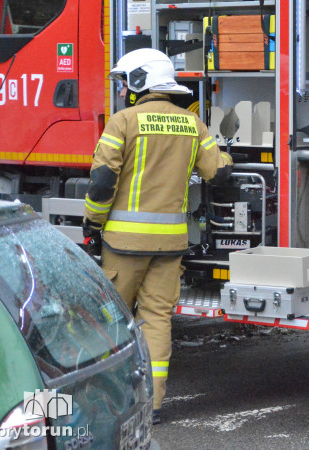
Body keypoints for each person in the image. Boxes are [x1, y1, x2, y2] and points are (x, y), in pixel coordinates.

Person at [83, 48, 232, 423]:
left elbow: (102, 183)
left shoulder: (123, 122)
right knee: (157, 321)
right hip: (170, 245)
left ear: (139, 81)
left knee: (112, 321)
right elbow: (218, 172)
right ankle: (152, 405)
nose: (121, 91)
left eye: (124, 82)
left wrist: (92, 224)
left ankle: (106, 401)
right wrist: (226, 156)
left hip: (124, 245)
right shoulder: (191, 124)